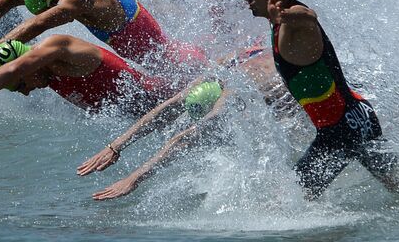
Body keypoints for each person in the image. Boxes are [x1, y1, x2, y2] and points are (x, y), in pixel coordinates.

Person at [150, 0, 399, 199]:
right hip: (360, 114)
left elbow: (310, 16)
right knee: (398, 190)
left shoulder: (297, 21)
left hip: (339, 132)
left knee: (289, 206)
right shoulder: (270, 3)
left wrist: (284, 16)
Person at [79, 45, 300, 200]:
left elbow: (184, 138)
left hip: (294, 96)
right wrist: (116, 146)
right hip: (271, 59)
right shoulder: (221, 70)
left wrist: (134, 178)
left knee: (278, 143)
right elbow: (166, 107)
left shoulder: (231, 95)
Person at [0, 35, 177, 143]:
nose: (25, 92)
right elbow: (13, 69)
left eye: (22, 85)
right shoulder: (46, 75)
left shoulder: (63, 49)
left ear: (29, 66)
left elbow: (13, 69)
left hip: (171, 102)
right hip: (151, 122)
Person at [0, 0, 206, 80]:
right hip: (151, 38)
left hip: (155, 50)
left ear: (53, 1)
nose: (48, 12)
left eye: (48, 8)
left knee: (178, 78)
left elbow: (37, 24)